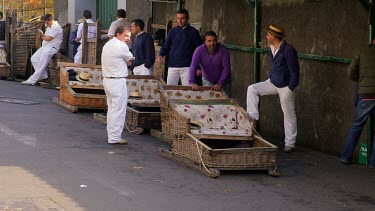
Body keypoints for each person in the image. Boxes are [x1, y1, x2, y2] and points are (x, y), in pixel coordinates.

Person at [246, 24, 300, 153]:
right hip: (273, 82)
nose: (266, 36)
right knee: (252, 89)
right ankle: (253, 120)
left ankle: (290, 143)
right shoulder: (271, 47)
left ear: (274, 37)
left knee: (289, 114)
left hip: (286, 87)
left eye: (268, 35)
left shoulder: (288, 50)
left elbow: (295, 73)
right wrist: (271, 78)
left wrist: (290, 88)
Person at [341, 37, 375, 169]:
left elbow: (351, 73)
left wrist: (361, 82)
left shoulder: (362, 51)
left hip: (365, 95)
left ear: (373, 41)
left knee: (357, 125)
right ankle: (373, 163)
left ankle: (346, 156)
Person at [101, 26, 134, 145]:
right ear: (118, 34)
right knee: (118, 110)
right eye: (126, 35)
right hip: (117, 80)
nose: (128, 39)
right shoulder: (121, 46)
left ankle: (111, 134)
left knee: (112, 109)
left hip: (107, 79)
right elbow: (130, 60)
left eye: (129, 36)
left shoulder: (108, 44)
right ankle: (114, 137)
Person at [157, 9, 202, 85]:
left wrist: (198, 67)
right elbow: (165, 46)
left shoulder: (194, 32)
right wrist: (160, 55)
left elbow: (200, 51)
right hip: (173, 65)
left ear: (188, 18)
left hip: (188, 67)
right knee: (170, 90)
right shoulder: (172, 31)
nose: (180, 21)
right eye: (178, 18)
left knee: (187, 91)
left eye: (182, 18)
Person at [22, 14, 63, 86]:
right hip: (45, 47)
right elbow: (46, 37)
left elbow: (48, 38)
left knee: (42, 64)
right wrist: (43, 35)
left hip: (52, 48)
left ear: (51, 20)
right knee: (34, 59)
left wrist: (42, 35)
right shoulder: (50, 27)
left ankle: (32, 80)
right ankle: (44, 75)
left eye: (47, 22)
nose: (46, 24)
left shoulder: (56, 27)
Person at [189, 31, 231, 97]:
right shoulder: (199, 50)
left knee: (225, 102)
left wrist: (220, 83)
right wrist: (191, 82)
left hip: (224, 81)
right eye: (209, 41)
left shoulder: (223, 51)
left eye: (214, 40)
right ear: (204, 42)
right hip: (208, 80)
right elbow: (193, 66)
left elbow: (226, 68)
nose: (212, 43)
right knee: (209, 101)